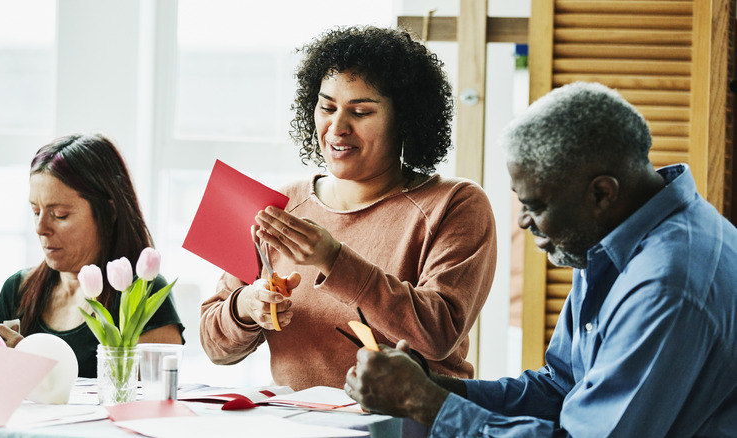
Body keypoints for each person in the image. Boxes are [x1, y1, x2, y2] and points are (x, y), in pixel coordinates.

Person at [344, 82, 737, 436]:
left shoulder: (667, 284)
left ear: (601, 194)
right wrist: (435, 388)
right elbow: (562, 388)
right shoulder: (613, 239)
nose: (522, 221)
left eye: (536, 205)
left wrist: (424, 403)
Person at [200, 25, 497, 390]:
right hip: (295, 423)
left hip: (406, 425)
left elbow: (438, 334)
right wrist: (247, 305)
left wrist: (334, 259)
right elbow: (213, 345)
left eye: (360, 112)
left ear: (404, 120)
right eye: (327, 107)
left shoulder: (456, 204)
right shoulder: (277, 206)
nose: (337, 127)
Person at [0, 133, 184, 378]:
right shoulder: (17, 290)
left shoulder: (143, 292)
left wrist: (29, 360)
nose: (41, 228)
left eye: (59, 214)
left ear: (109, 210)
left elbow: (151, 402)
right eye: (35, 211)